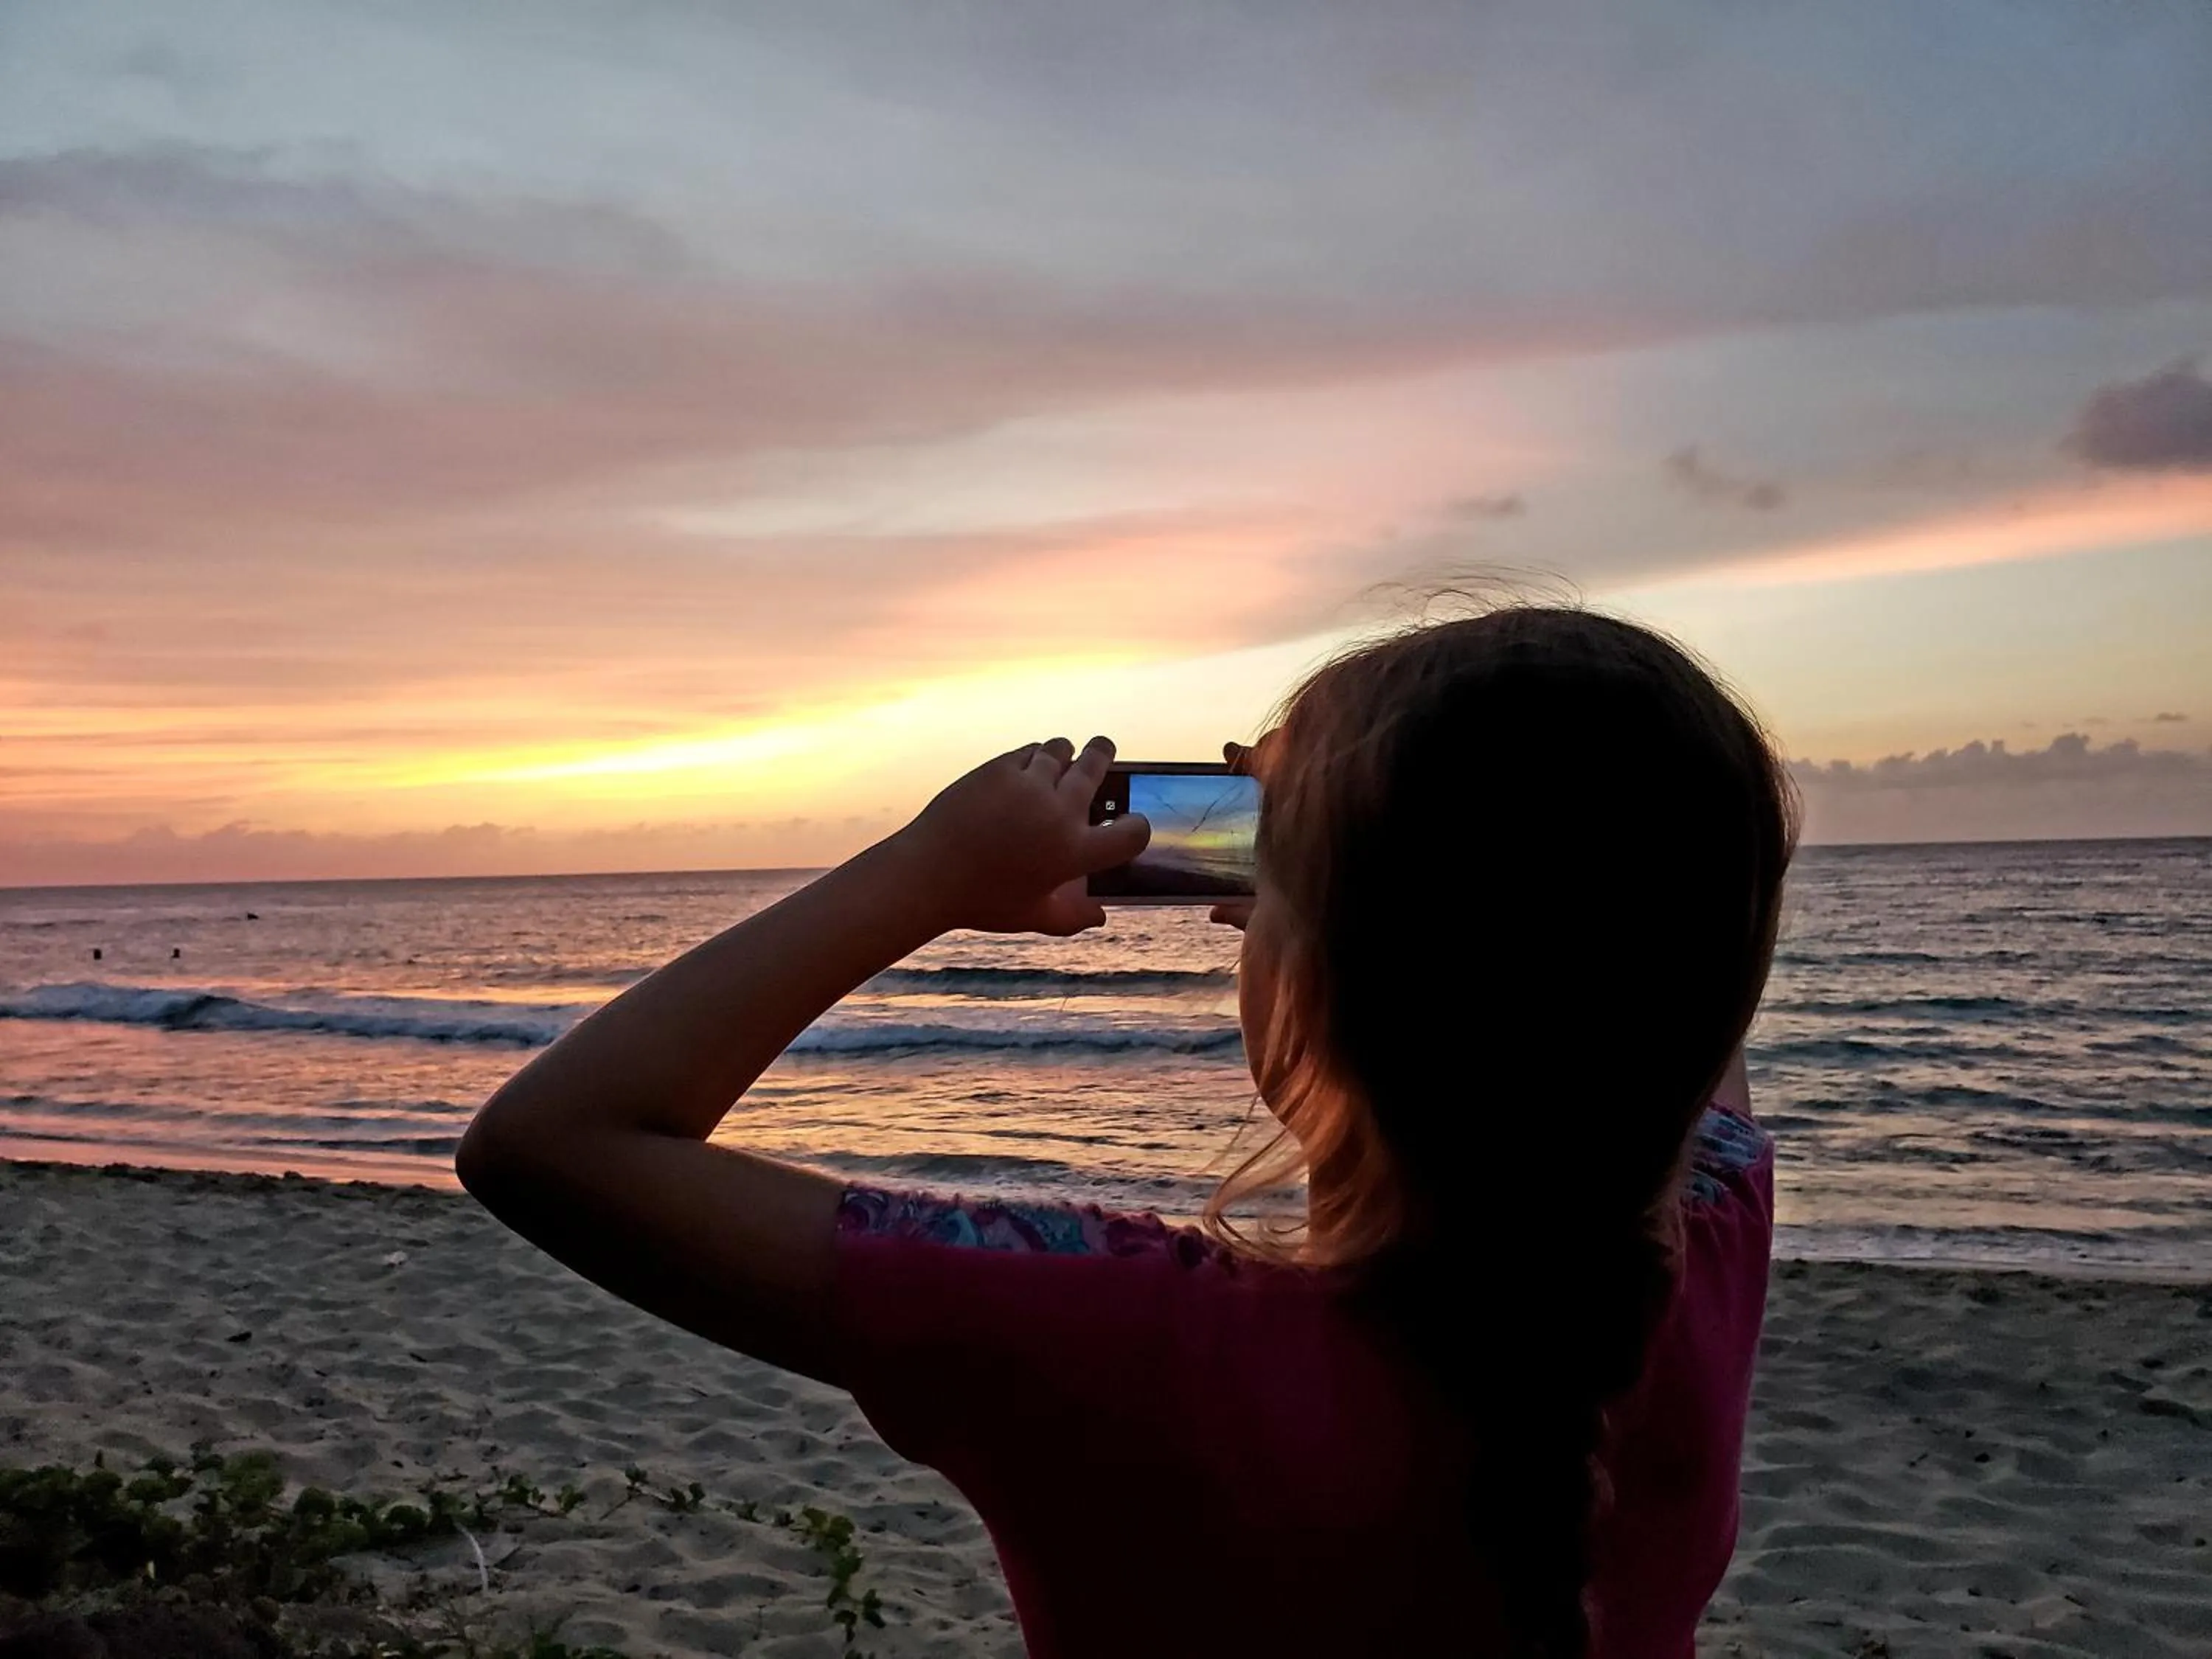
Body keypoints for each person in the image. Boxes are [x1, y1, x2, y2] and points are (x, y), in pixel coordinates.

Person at [456, 605, 1795, 1658]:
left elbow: (550, 1140)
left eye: (1267, 850)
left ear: (1317, 973)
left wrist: (926, 872)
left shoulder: (1097, 1330)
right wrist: (1345, 915)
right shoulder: (1710, 1249)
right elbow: (1657, 950)